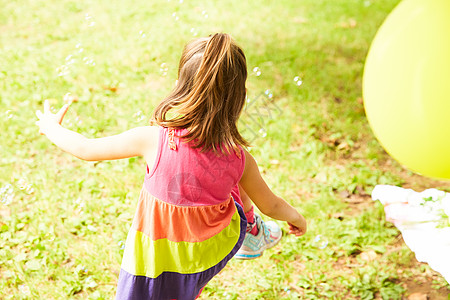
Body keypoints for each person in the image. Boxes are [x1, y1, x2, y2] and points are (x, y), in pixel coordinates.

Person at [35, 33, 307, 300]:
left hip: (153, 255)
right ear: (241, 97)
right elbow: (270, 204)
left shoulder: (153, 140)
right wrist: (296, 217)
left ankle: (250, 232)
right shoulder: (240, 159)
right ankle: (250, 231)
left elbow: (86, 150)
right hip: (199, 254)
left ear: (179, 85)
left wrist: (51, 128)